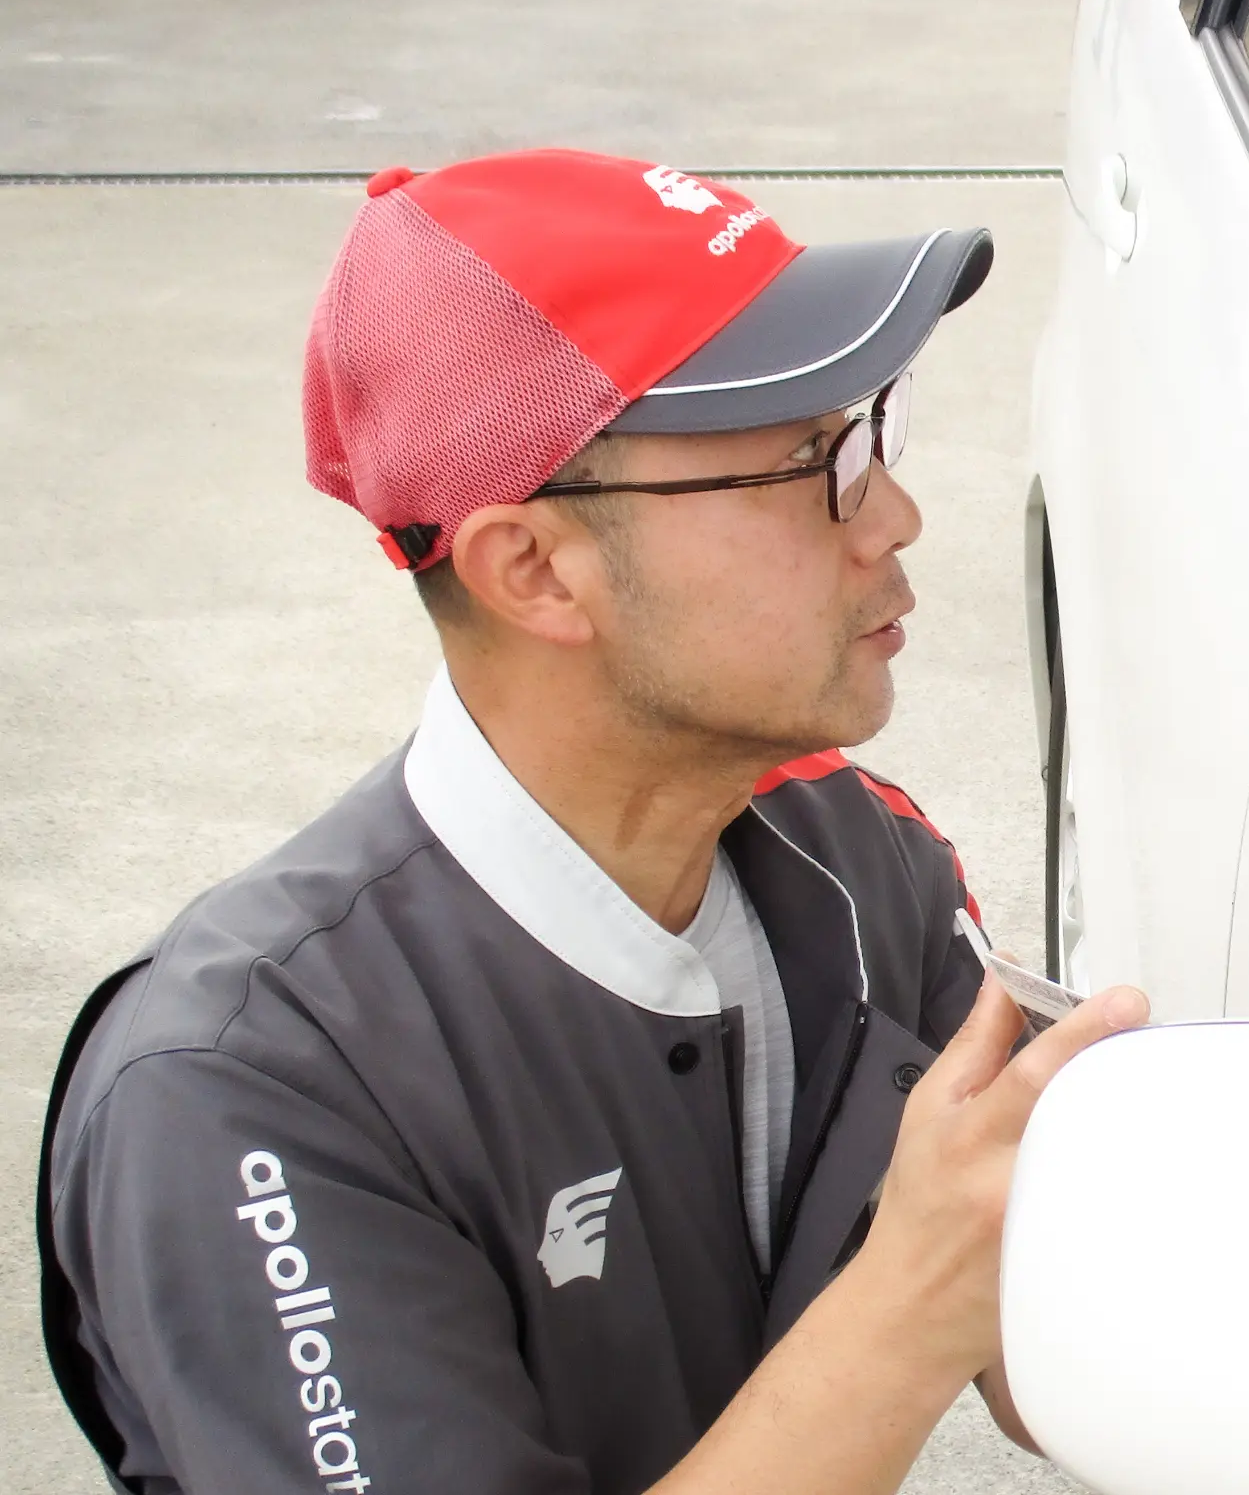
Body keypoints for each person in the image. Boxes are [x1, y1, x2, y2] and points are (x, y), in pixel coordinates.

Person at [37, 149, 1149, 1495]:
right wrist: (910, 1305)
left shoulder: (859, 869)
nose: (894, 519)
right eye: (813, 461)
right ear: (535, 571)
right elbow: (932, 1296)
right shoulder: (247, 1095)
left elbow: (1064, 1355)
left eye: (871, 434)